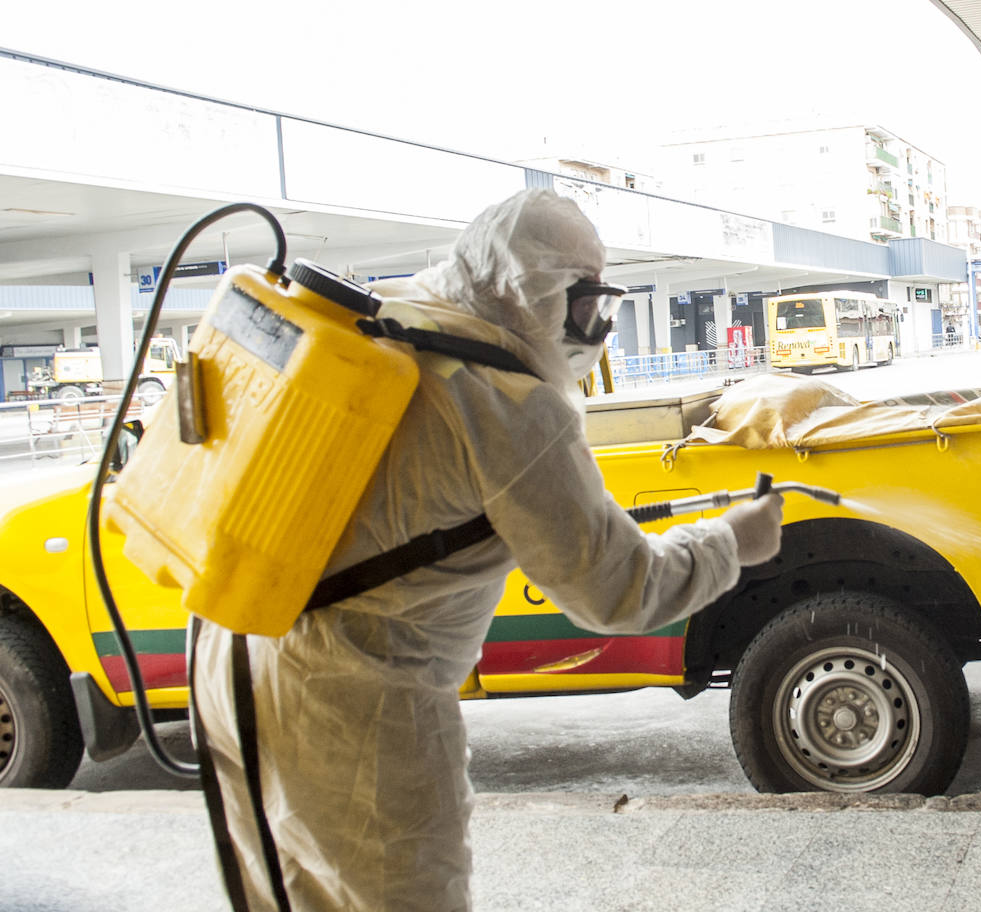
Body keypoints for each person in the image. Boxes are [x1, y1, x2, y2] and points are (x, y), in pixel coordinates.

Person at [191, 189, 783, 911]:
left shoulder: (394, 323)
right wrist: (732, 541)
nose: (592, 329)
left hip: (232, 645)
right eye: (586, 300)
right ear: (539, 290)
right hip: (355, 699)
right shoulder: (507, 403)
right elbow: (619, 590)